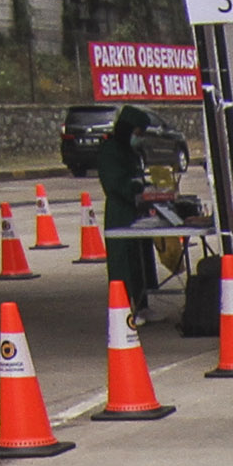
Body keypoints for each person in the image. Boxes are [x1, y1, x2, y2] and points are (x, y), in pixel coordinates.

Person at [94, 104, 156, 323]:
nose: (138, 138)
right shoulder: (110, 149)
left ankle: (142, 304)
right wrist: (137, 189)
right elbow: (115, 183)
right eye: (137, 133)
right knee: (123, 263)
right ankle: (125, 308)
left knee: (140, 260)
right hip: (120, 212)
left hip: (136, 211)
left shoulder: (131, 151)